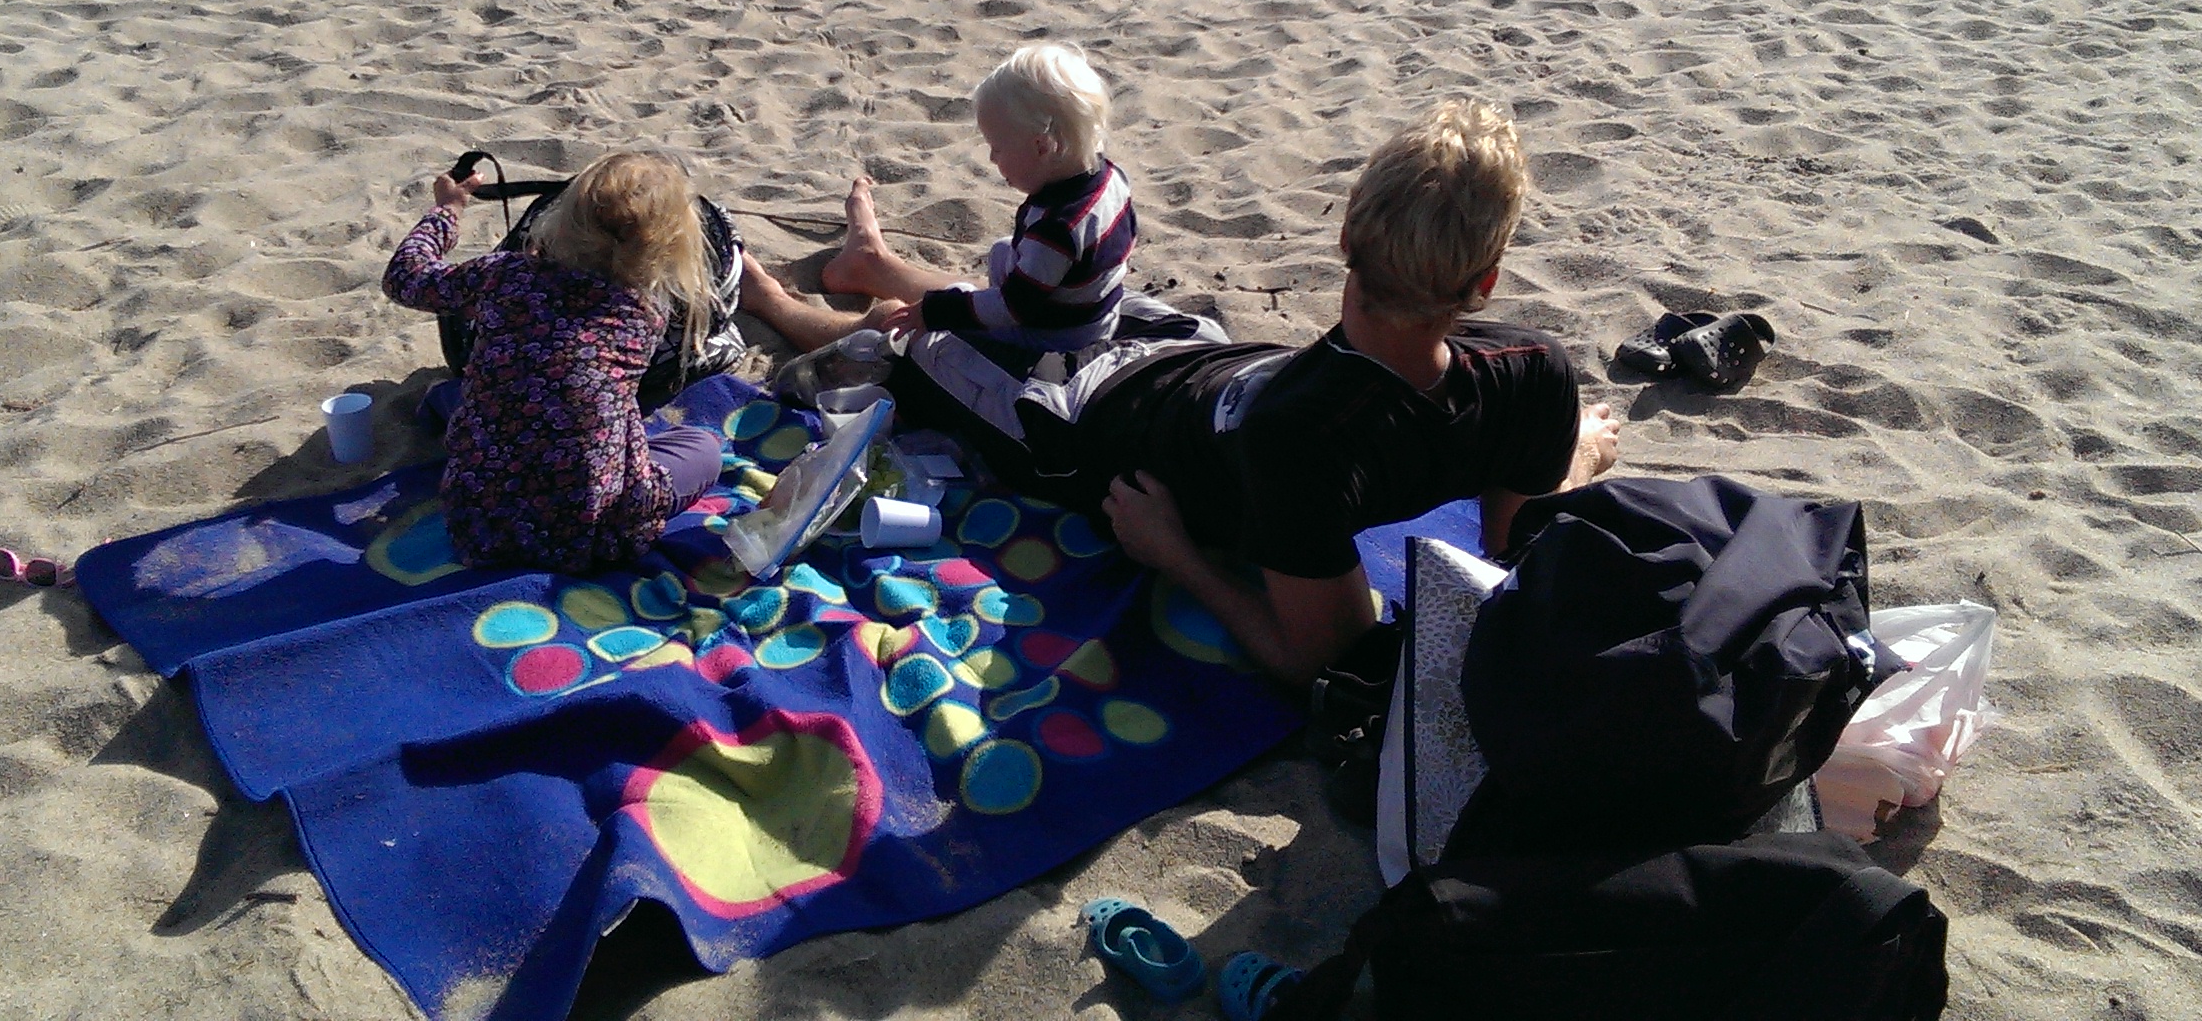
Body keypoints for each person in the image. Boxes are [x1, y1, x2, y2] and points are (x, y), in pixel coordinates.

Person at [742, 97, 1620, 686]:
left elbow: (1323, 655)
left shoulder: (1306, 438)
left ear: (1347, 236)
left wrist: (1178, 557)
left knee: (912, 346)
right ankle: (874, 263)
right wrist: (1572, 457)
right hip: (1187, 357)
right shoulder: (1532, 370)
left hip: (1084, 425)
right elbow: (1510, 549)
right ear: (1486, 281)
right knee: (1035, 312)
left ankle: (778, 303)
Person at [383, 151, 728, 574]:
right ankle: (447, 402)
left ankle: (443, 402)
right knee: (703, 449)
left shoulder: (504, 275)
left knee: (503, 396)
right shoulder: (643, 315)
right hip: (587, 534)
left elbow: (404, 277)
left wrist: (448, 209)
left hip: (476, 521)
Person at [818, 43, 1137, 374]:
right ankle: (869, 265)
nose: (991, 158)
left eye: (997, 148)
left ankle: (790, 307)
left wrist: (935, 310)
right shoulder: (1111, 177)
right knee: (1001, 252)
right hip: (1093, 315)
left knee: (936, 320)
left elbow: (1013, 308)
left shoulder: (1058, 229)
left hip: (1056, 338)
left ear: (1041, 146)